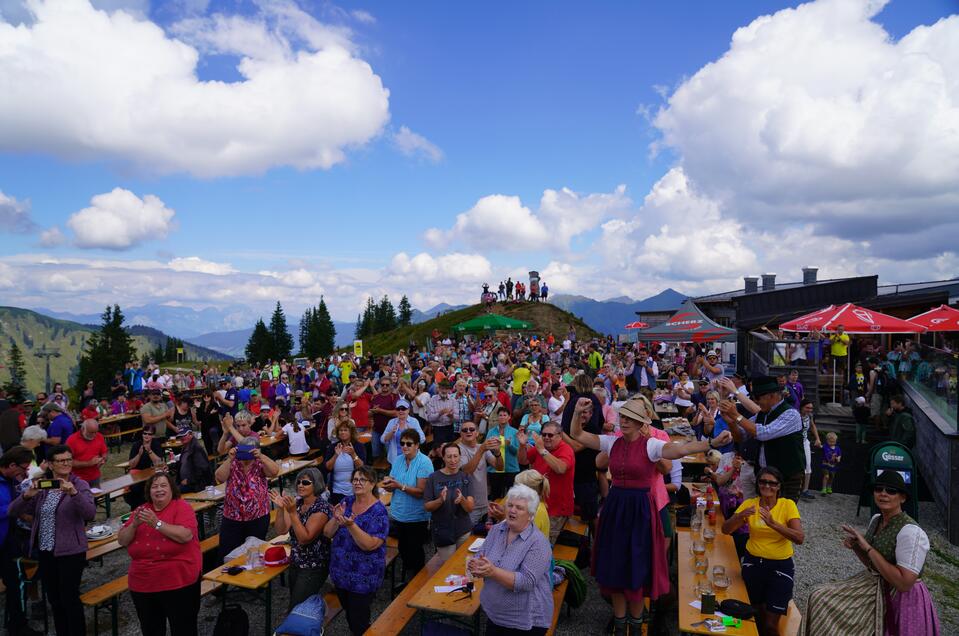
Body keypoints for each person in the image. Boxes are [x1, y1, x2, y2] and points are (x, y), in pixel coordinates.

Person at [570, 397, 733, 635]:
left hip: (640, 511)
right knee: (616, 567)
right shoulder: (611, 442)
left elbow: (681, 449)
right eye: (622, 417)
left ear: (640, 423)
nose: (624, 421)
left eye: (630, 419)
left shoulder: (651, 445)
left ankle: (636, 626)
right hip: (616, 508)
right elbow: (577, 434)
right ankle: (619, 623)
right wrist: (576, 412)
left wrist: (711, 442)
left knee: (637, 568)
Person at [805, 470, 941, 636]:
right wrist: (856, 546)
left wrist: (868, 548)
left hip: (901, 599)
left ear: (903, 498)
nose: (883, 494)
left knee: (822, 600)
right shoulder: (877, 519)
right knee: (817, 596)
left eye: (891, 491)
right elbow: (872, 564)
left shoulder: (911, 532)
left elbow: (904, 584)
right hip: (875, 584)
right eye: (878, 489)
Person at [8, 445, 96, 636]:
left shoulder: (79, 485)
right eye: (61, 460)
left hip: (71, 551)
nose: (66, 464)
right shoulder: (44, 486)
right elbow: (12, 511)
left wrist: (73, 493)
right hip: (46, 551)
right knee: (55, 599)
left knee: (69, 598)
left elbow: (90, 513)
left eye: (68, 459)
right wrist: (26, 496)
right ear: (49, 464)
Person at [721, 466, 804, 636]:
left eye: (772, 483)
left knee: (770, 625)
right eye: (763, 482)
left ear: (779, 486)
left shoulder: (787, 505)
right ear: (758, 484)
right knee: (755, 615)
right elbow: (725, 530)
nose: (767, 486)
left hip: (780, 566)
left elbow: (799, 538)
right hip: (754, 563)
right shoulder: (750, 504)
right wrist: (739, 516)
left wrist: (773, 524)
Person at [118, 472, 201, 636]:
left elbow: (185, 536)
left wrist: (156, 523)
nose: (159, 490)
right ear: (149, 491)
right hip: (143, 583)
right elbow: (122, 540)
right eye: (154, 487)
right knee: (151, 630)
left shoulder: (181, 507)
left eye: (163, 485)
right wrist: (134, 525)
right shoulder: (140, 511)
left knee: (183, 628)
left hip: (178, 580)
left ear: (172, 489)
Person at [471, 484, 553, 635]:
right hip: (495, 614)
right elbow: (481, 554)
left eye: (519, 508)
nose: (512, 510)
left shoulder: (538, 542)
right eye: (510, 505)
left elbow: (527, 582)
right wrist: (476, 564)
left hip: (525, 621)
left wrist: (493, 572)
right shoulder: (497, 530)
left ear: (530, 515)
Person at [323, 466, 389, 635]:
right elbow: (327, 533)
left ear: (372, 484)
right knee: (350, 613)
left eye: (362, 479)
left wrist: (351, 526)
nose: (357, 483)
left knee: (358, 620)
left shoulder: (379, 511)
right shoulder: (347, 501)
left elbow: (369, 545)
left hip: (363, 576)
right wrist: (336, 520)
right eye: (355, 479)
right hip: (341, 572)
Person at [720, 375, 805, 501]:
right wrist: (731, 422)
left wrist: (736, 415)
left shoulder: (791, 414)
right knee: (762, 515)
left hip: (787, 477)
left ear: (771, 395)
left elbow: (763, 434)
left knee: (783, 516)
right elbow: (740, 437)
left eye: (757, 397)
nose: (755, 401)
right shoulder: (762, 414)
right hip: (765, 476)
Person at [270, 467, 332, 610]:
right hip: (296, 562)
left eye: (305, 482)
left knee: (296, 608)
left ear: (316, 484)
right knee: (298, 605)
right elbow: (281, 530)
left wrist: (292, 513)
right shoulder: (297, 504)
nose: (300, 485)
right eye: (298, 482)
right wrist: (281, 509)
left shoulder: (321, 508)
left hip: (313, 566)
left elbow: (305, 538)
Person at [380, 429, 433, 588]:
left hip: (416, 516)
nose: (404, 446)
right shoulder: (398, 460)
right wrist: (389, 485)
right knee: (403, 548)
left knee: (415, 551)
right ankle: (409, 582)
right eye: (402, 443)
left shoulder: (424, 462)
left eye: (409, 443)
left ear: (417, 445)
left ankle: (418, 584)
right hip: (399, 513)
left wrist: (399, 486)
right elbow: (393, 484)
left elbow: (421, 492)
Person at [214, 436, 279, 564]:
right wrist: (230, 458)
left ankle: (253, 581)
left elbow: (274, 471)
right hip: (232, 517)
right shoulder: (233, 462)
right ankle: (226, 580)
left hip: (257, 516)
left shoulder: (260, 462)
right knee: (226, 553)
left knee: (254, 553)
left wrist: (261, 456)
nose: (246, 455)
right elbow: (219, 477)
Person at [0, 446, 39, 636]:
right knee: (15, 582)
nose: (25, 473)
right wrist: (19, 503)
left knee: (16, 582)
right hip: (3, 540)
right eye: (23, 469)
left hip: (9, 540)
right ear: (12, 464)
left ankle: (16, 624)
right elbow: (7, 510)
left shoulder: (10, 480)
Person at [517, 421, 574, 543]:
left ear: (560, 435)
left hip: (557, 509)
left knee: (544, 545)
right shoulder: (541, 447)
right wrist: (522, 446)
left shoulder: (565, 449)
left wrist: (542, 450)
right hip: (538, 506)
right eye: (544, 435)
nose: (546, 438)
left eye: (550, 435)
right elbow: (523, 461)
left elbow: (561, 468)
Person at [424, 443, 474, 560]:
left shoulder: (465, 477)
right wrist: (440, 500)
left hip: (463, 530)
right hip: (443, 531)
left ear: (460, 457)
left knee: (464, 565)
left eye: (455, 456)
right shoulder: (433, 478)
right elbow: (427, 506)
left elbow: (470, 508)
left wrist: (462, 499)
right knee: (448, 569)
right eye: (449, 456)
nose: (453, 460)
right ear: (443, 457)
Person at [458, 421, 503, 524]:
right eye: (465, 430)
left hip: (484, 503)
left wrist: (497, 453)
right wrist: (482, 449)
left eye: (472, 429)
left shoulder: (481, 448)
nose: (468, 431)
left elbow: (499, 468)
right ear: (461, 434)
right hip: (469, 507)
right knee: (469, 538)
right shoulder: (459, 449)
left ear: (477, 433)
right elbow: (467, 471)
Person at [487, 469, 551, 538]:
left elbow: (521, 538)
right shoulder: (525, 502)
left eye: (516, 486)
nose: (514, 489)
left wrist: (502, 518)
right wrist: (504, 511)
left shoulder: (536, 511)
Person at [324, 421, 366, 505]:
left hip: (354, 489)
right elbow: (327, 467)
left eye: (345, 430)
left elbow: (362, 467)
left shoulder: (358, 446)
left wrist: (353, 454)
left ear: (351, 432)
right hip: (336, 490)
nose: (342, 432)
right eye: (340, 430)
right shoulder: (333, 447)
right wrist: (335, 455)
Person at [485, 408, 520, 500]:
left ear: (509, 417)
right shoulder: (491, 431)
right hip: (495, 468)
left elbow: (517, 452)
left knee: (511, 497)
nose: (502, 417)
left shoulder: (514, 432)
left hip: (511, 468)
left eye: (505, 415)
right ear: (497, 417)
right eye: (500, 415)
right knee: (495, 495)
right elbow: (486, 448)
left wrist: (510, 445)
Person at [380, 399, 425, 465]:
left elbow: (422, 439)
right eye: (398, 409)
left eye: (403, 409)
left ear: (408, 410)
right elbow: (382, 440)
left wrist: (413, 432)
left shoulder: (414, 421)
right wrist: (392, 432)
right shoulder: (392, 422)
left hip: (411, 458)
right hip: (395, 459)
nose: (401, 411)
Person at [65, 418, 107, 488]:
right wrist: (89, 463)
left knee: (96, 497)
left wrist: (103, 459)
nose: (94, 435)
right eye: (91, 432)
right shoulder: (71, 440)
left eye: (95, 432)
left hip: (95, 476)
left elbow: (104, 452)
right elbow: (68, 462)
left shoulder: (99, 436)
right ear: (83, 429)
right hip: (78, 479)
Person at [175, 425, 212, 494]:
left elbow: (202, 469)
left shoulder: (196, 448)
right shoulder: (186, 447)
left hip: (197, 485)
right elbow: (183, 463)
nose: (182, 438)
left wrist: (189, 480)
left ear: (191, 435)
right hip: (188, 483)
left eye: (184, 435)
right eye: (180, 436)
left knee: (173, 492)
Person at [797, 399, 822, 500]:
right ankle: (795, 489)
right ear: (801, 407)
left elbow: (812, 426)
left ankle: (805, 490)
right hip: (796, 443)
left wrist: (817, 438)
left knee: (808, 465)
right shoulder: (795, 416)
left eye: (811, 408)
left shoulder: (809, 416)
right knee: (797, 466)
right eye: (807, 407)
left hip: (805, 441)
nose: (809, 410)